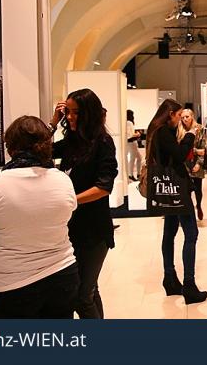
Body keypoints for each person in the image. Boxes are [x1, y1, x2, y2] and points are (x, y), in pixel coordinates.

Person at [0, 116, 79, 318]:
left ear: (10, 148)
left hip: (13, 283)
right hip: (63, 275)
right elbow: (65, 219)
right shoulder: (63, 180)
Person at [49, 88, 118, 319]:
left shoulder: (103, 142)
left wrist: (70, 201)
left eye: (75, 112)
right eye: (67, 112)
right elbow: (40, 150)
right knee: (89, 290)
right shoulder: (72, 141)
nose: (70, 117)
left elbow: (104, 186)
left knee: (81, 296)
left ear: (89, 113)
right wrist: (53, 123)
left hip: (94, 230)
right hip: (71, 228)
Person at [147, 99, 207, 304]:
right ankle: (189, 284)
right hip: (176, 188)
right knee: (191, 233)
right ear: (170, 114)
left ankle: (170, 278)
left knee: (170, 232)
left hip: (167, 188)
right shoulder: (163, 132)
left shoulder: (156, 131)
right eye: (179, 115)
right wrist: (190, 135)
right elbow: (180, 155)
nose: (180, 119)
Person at [177, 109, 207, 221]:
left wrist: (199, 163)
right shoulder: (180, 129)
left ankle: (198, 205)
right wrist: (195, 151)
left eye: (187, 117)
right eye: (183, 117)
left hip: (196, 161)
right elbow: (180, 148)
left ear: (192, 116)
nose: (185, 119)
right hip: (184, 163)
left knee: (198, 188)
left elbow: (202, 147)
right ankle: (189, 213)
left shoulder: (199, 129)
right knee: (186, 189)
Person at [126, 109, 142, 181]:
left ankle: (137, 174)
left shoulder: (127, 123)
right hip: (132, 143)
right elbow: (130, 134)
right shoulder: (129, 123)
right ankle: (131, 174)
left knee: (138, 158)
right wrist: (137, 134)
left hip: (131, 143)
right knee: (134, 159)